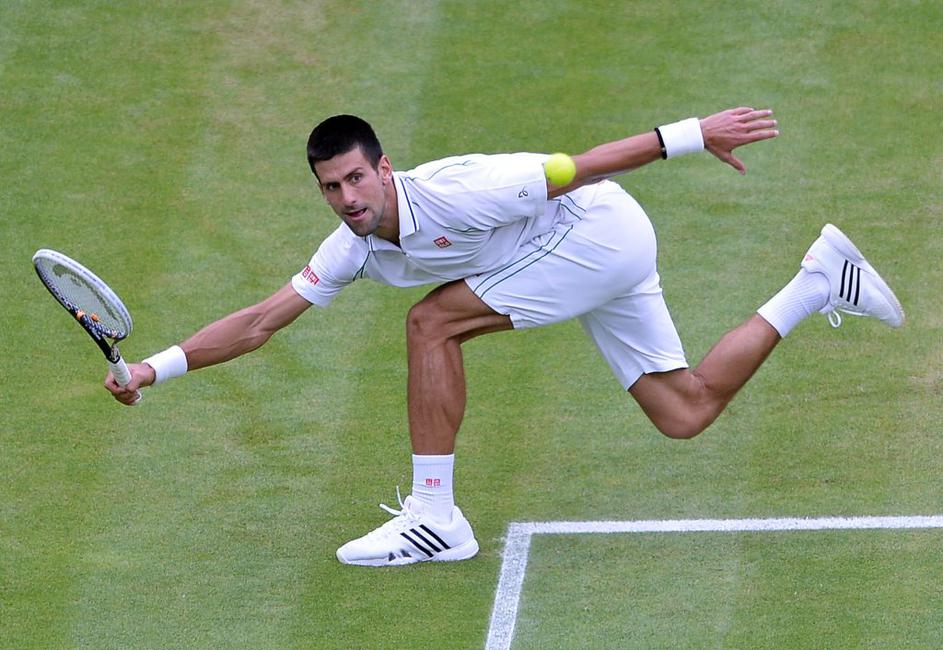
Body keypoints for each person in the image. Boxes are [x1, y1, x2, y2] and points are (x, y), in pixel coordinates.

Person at [106, 106, 904, 567]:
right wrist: (150, 368)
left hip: (596, 232)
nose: (346, 198)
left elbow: (579, 166)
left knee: (431, 321)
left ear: (384, 168)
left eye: (355, 177)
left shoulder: (461, 191)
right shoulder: (350, 246)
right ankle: (818, 279)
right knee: (683, 409)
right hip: (586, 254)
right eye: (330, 187)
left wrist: (693, 132)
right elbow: (259, 320)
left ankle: (435, 515)